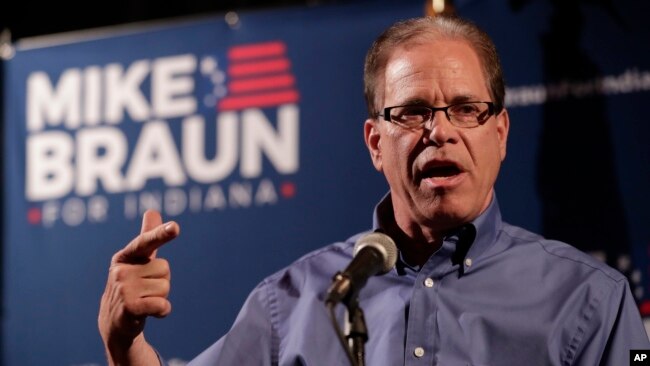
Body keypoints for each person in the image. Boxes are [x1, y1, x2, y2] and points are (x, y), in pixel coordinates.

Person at [98, 15, 650, 365]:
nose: (440, 130)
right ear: (375, 144)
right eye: (412, 112)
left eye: (465, 108)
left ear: (499, 134)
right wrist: (125, 345)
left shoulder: (591, 300)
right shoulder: (289, 304)